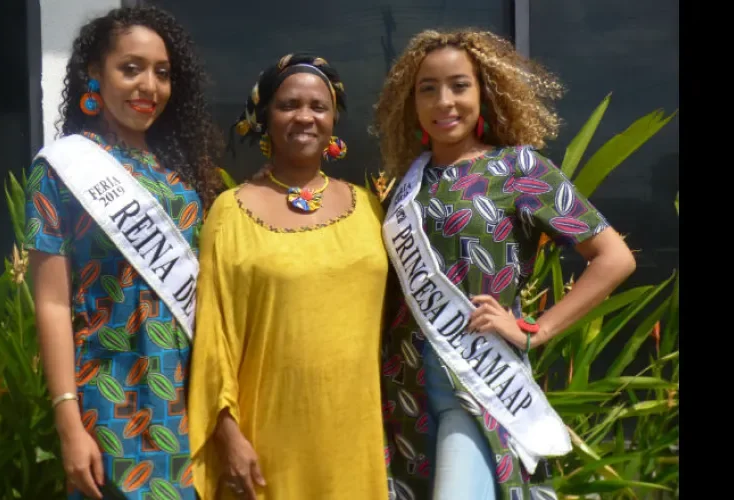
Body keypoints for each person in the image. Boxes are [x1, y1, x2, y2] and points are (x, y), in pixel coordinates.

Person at [372, 29, 637, 500]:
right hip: (402, 398)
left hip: (476, 388)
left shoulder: (519, 169)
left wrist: (537, 329)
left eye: (459, 85)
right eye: (427, 89)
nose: (443, 101)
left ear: (485, 92)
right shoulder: (402, 187)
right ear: (410, 103)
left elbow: (614, 258)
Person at [25, 6, 223, 499]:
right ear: (95, 73)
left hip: (186, 389)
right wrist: (69, 421)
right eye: (130, 68)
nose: (149, 87)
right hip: (109, 391)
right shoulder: (63, 168)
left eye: (162, 73)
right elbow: (51, 302)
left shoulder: (179, 175)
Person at [187, 53, 389, 499]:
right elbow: (213, 338)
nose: (305, 116)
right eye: (288, 105)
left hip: (355, 442)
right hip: (266, 441)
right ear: (265, 117)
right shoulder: (230, 213)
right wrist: (228, 436)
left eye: (318, 106)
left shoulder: (370, 210)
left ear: (334, 119)